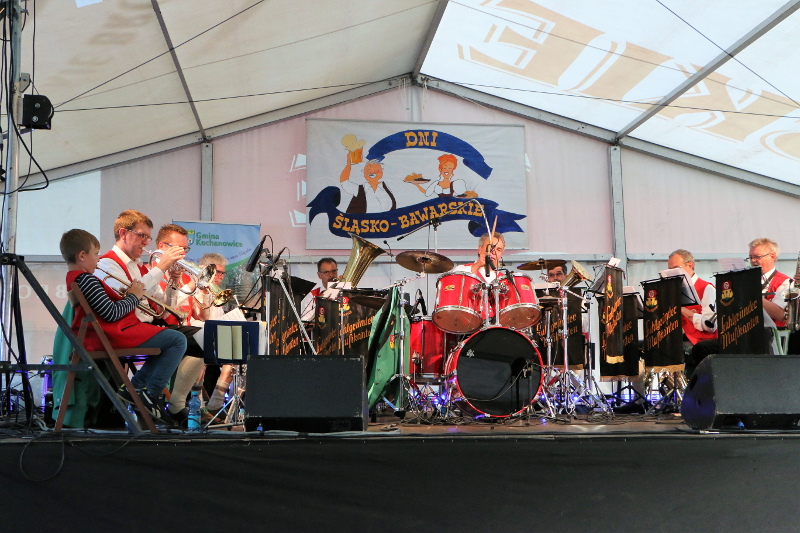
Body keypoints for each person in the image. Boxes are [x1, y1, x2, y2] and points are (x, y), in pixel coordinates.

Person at [60, 229, 186, 424]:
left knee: (170, 339)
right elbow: (111, 313)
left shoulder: (80, 278)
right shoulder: (86, 279)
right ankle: (148, 394)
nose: (98, 258)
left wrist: (129, 296)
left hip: (110, 334)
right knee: (177, 340)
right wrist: (134, 296)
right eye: (96, 254)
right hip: (110, 335)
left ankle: (136, 389)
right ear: (82, 256)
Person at [689, 238, 791, 371]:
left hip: (765, 334)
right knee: (702, 348)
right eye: (751, 257)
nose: (753, 261)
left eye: (757, 257)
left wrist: (752, 292)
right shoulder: (747, 278)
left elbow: (780, 315)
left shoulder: (785, 282)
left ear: (772, 256)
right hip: (741, 333)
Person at [667, 249, 717, 346]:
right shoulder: (672, 290)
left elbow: (711, 326)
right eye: (670, 270)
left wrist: (684, 311)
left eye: (676, 268)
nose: (672, 273)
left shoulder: (706, 288)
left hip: (701, 340)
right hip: (679, 337)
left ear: (690, 265)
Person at [405, 154, 476, 198]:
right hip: (438, 209)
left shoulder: (456, 183)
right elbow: (426, 193)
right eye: (444, 167)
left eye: (450, 168)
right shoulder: (436, 183)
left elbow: (463, 195)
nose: (447, 170)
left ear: (452, 170)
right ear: (440, 169)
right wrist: (417, 184)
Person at [301, 257, 338, 321]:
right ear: (319, 275)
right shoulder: (312, 295)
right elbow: (306, 320)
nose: (331, 275)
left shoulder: (345, 292)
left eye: (334, 271)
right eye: (326, 272)